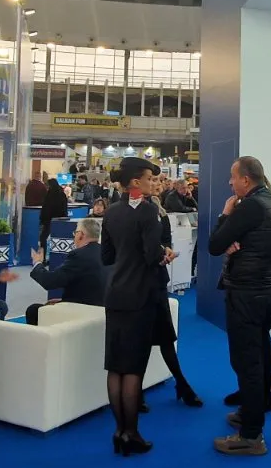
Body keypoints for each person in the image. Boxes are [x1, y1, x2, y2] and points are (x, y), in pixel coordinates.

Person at [209, 156, 271, 457]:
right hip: (267, 292)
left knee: (247, 361)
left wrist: (225, 215)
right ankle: (260, 403)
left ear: (246, 179)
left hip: (247, 294)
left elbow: (215, 244)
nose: (230, 183)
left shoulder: (250, 207)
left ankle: (251, 435)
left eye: (233, 177)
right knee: (261, 349)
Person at [100, 157, 168, 456]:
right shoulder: (149, 211)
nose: (154, 182)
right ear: (136, 182)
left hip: (115, 294)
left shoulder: (111, 211)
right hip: (140, 296)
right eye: (150, 178)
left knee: (116, 366)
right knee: (134, 369)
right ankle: (132, 433)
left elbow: (106, 257)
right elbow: (152, 255)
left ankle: (119, 432)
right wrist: (165, 254)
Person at [141, 175, 201, 410]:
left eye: (157, 181)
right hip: (137, 283)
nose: (156, 184)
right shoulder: (126, 212)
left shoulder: (160, 212)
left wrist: (166, 251)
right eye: (151, 180)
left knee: (165, 336)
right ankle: (137, 390)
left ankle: (181, 383)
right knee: (141, 339)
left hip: (157, 281)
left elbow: (165, 240)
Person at [20, 217, 107, 325]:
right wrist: (63, 301)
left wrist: (37, 263)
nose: (74, 236)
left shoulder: (78, 255)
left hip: (82, 312)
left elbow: (49, 282)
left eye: (75, 232)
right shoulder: (106, 253)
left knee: (33, 310)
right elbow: (91, 285)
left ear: (81, 235)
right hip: (101, 310)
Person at [38, 175, 69, 253]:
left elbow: (45, 208)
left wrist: (42, 220)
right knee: (57, 238)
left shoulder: (49, 195)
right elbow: (65, 208)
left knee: (43, 238)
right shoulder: (62, 194)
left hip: (49, 221)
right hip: (60, 220)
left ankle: (44, 256)